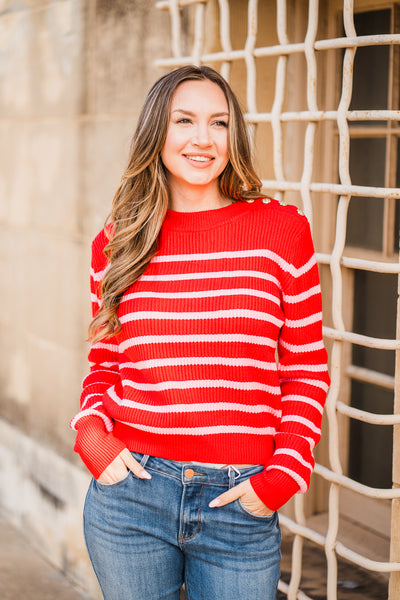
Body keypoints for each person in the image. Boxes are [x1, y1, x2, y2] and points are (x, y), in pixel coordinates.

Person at [70, 65, 330, 600]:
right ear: (155, 133)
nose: (202, 139)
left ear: (234, 135)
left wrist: (282, 474)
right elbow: (106, 362)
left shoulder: (281, 231)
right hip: (131, 495)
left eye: (219, 123)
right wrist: (92, 436)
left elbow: (305, 369)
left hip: (240, 499)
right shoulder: (119, 241)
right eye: (183, 120)